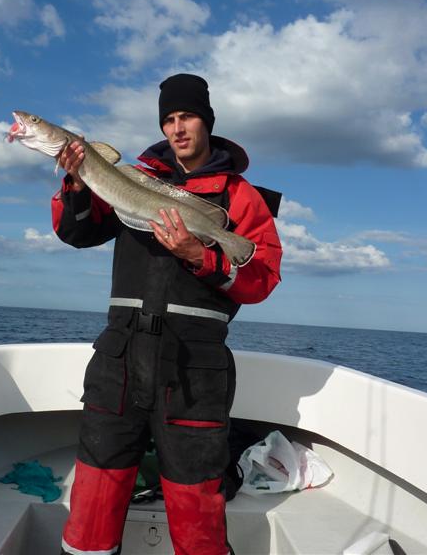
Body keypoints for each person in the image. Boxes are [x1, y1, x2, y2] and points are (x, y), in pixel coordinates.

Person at [52, 73, 282, 555]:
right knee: (93, 496)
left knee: (197, 502)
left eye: (187, 116)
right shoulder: (132, 180)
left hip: (193, 368)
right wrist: (76, 182)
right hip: (118, 360)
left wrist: (199, 255)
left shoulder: (240, 195)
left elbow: (261, 277)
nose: (177, 128)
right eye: (169, 119)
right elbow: (77, 233)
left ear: (207, 122)